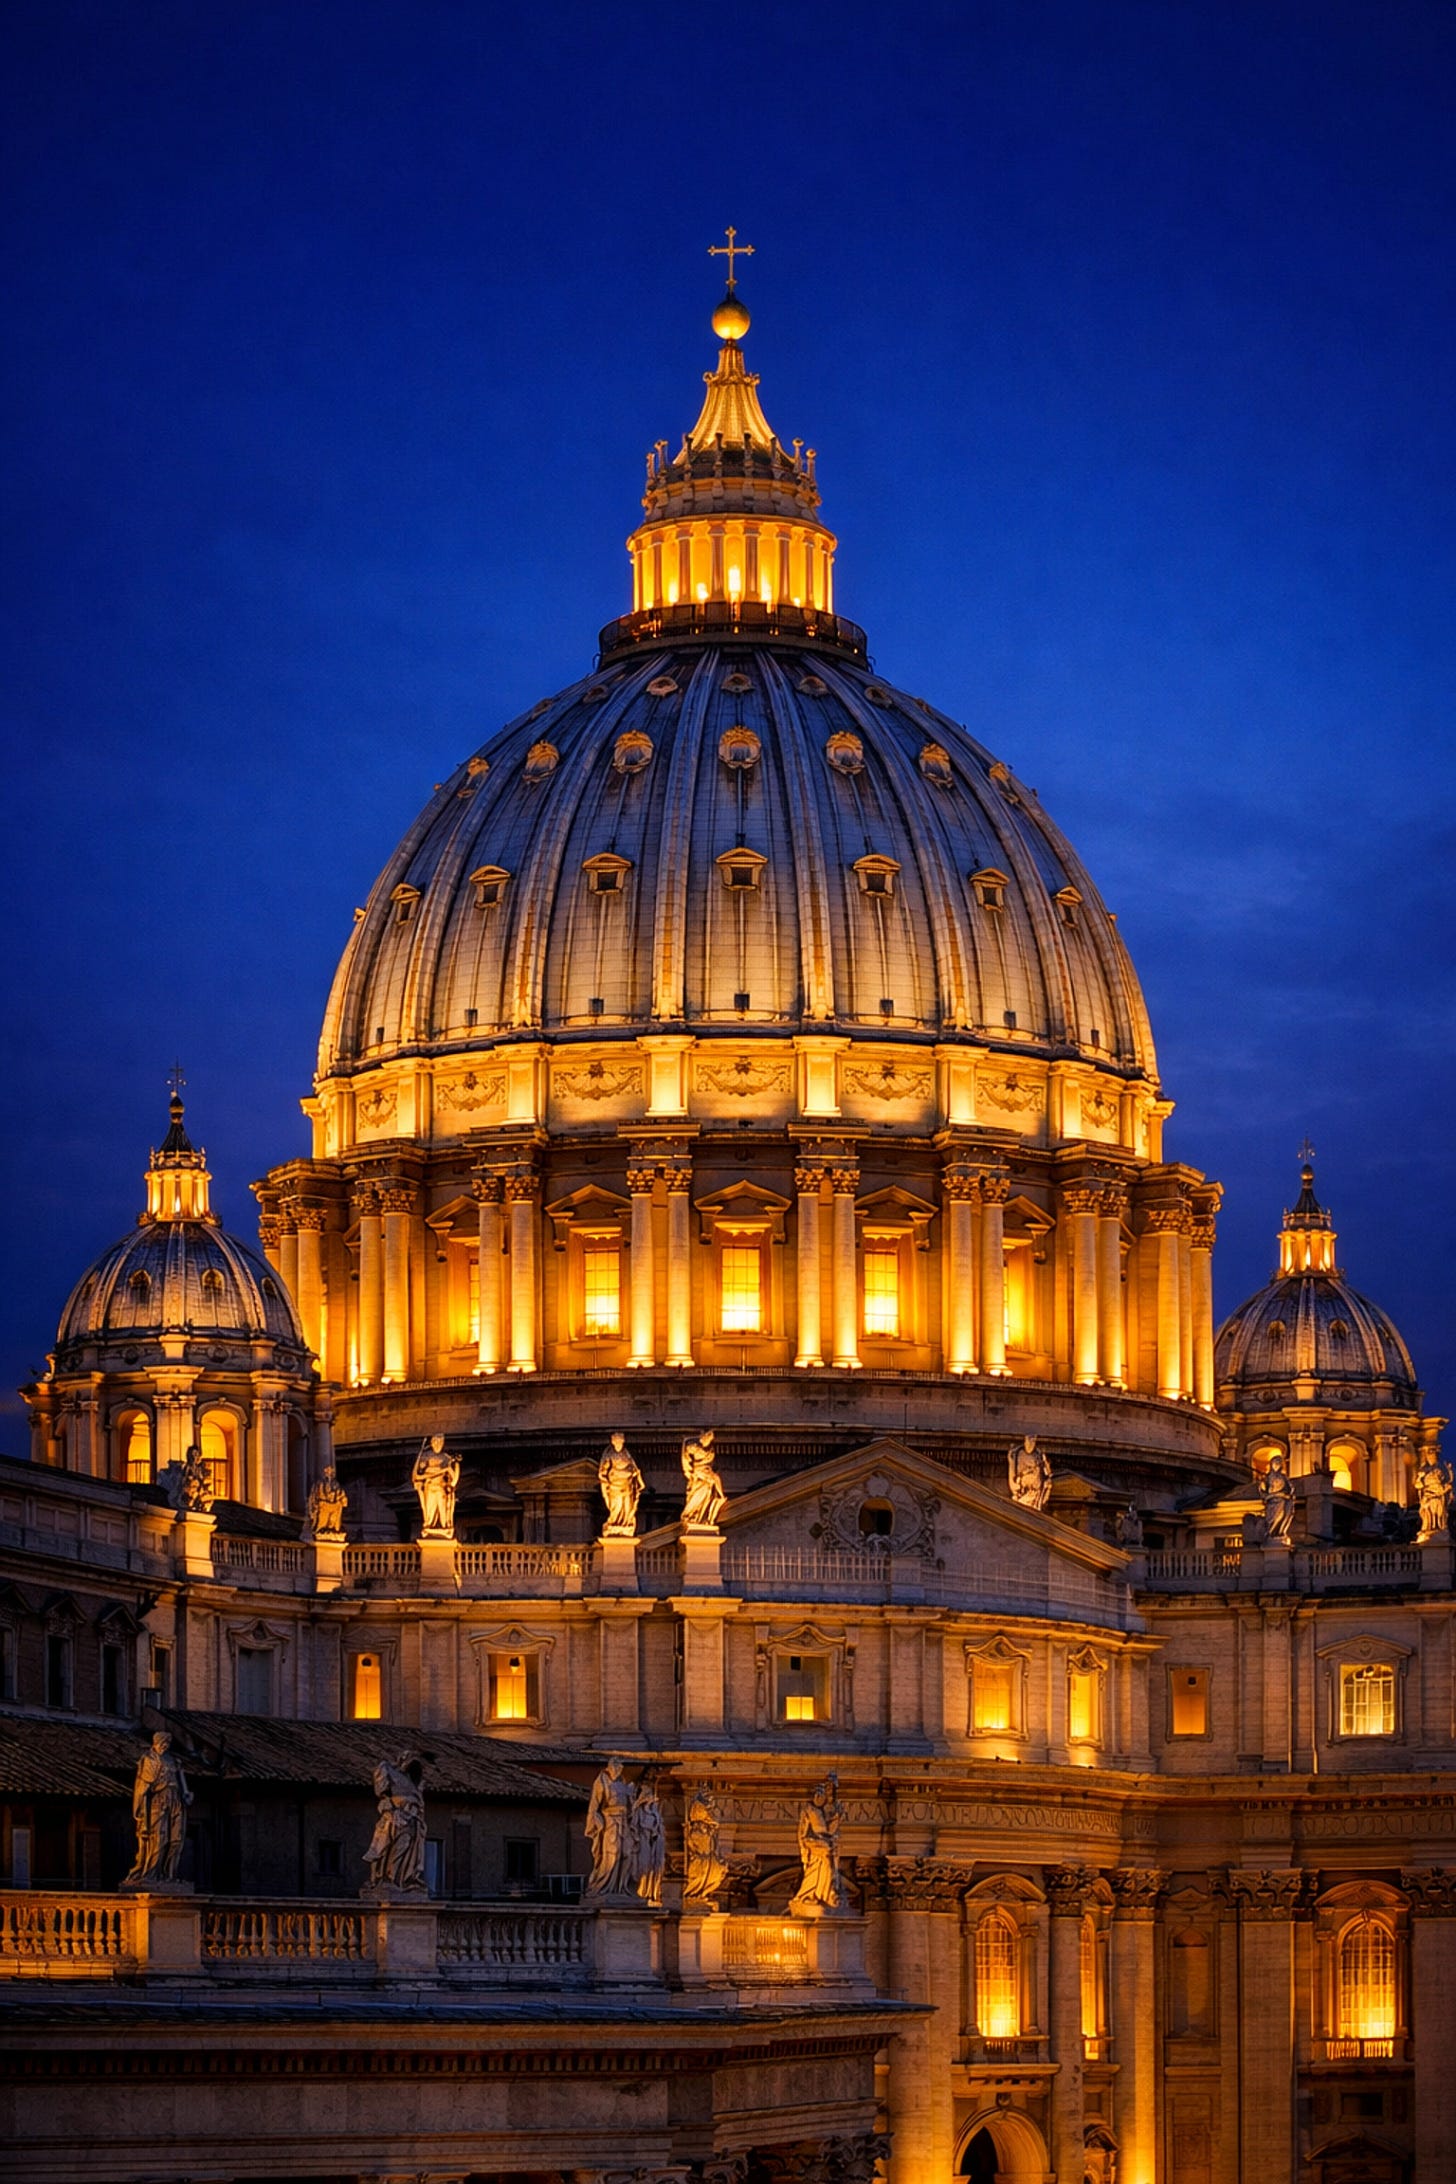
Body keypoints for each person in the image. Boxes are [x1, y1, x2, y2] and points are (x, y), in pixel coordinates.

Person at [124, 1731, 193, 1886]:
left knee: (176, 1839)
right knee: (158, 1839)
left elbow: (182, 1782)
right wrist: (140, 1808)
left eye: (168, 1743)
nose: (165, 1746)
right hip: (158, 1801)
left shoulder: (174, 1761)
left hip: (176, 1800)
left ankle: (170, 1875)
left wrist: (186, 1794)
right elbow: (142, 1786)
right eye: (163, 1742)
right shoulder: (148, 1759)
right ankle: (151, 1874)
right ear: (156, 1743)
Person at [363, 1753, 427, 1892]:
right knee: (388, 1847)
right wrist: (393, 1807)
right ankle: (387, 1878)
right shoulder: (388, 1770)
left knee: (406, 1847)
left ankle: (403, 1879)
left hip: (412, 1820)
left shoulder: (413, 1783)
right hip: (396, 1819)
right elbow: (382, 1791)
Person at [790, 1774, 849, 1914]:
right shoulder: (808, 1810)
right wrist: (808, 1848)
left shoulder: (825, 1812)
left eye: (821, 1795)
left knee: (828, 1872)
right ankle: (806, 1895)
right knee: (818, 1871)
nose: (819, 1798)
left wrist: (837, 1819)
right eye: (818, 1794)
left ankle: (825, 1894)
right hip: (815, 1847)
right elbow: (802, 1834)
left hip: (826, 1847)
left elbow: (829, 1831)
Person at [584, 1757, 637, 1896]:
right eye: (615, 1767)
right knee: (613, 1854)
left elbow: (631, 1807)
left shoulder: (623, 1783)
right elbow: (594, 1805)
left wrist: (632, 1798)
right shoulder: (602, 1781)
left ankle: (622, 1887)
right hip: (610, 1822)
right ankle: (604, 1886)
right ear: (609, 1767)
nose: (618, 1771)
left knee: (627, 1854)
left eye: (620, 1768)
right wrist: (596, 1820)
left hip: (624, 1822)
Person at [682, 1784, 728, 1906]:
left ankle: (698, 1894)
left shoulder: (707, 1828)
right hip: (701, 1858)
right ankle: (694, 1894)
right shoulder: (697, 1829)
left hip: (707, 1857)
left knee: (716, 1873)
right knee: (702, 1874)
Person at [412, 1435, 460, 1538]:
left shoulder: (446, 1458)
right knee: (429, 1513)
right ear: (432, 1443)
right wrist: (442, 1471)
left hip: (441, 1487)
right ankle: (429, 1528)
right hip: (429, 1488)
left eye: (440, 1443)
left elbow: (454, 1478)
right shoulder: (425, 1457)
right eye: (436, 1442)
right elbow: (417, 1476)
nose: (438, 1445)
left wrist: (454, 1466)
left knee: (443, 1511)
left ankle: (445, 1528)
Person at [598, 1433, 645, 1538]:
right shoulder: (609, 1455)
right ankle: (615, 1523)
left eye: (621, 1442)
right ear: (613, 1443)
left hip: (627, 1484)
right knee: (617, 1506)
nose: (619, 1444)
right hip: (615, 1485)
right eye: (617, 1442)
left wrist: (637, 1477)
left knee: (627, 1506)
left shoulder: (627, 1454)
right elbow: (603, 1471)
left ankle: (625, 1523)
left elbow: (634, 1468)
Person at [680, 1427, 726, 1530]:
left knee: (714, 1482)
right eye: (708, 1436)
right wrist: (689, 1472)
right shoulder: (693, 1446)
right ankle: (693, 1515)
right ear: (703, 1436)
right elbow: (685, 1459)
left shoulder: (710, 1448)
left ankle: (719, 1497)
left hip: (707, 1472)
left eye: (711, 1437)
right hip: (699, 1473)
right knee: (703, 1490)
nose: (709, 1439)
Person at [631, 1780, 666, 1907]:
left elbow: (659, 1830)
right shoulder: (638, 1812)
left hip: (653, 1844)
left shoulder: (655, 1814)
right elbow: (633, 1825)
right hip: (642, 1842)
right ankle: (640, 1892)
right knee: (643, 1867)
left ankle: (649, 1892)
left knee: (652, 1868)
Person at [1007, 1434, 1052, 1512]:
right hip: (1026, 1492)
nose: (1031, 1444)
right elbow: (1014, 1477)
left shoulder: (1038, 1456)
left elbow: (1047, 1473)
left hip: (1035, 1492)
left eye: (1033, 1442)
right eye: (1029, 1441)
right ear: (1025, 1442)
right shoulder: (1019, 1454)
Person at [1415, 1451, 1453, 1541]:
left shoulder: (1440, 1469)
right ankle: (1429, 1530)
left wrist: (1449, 1471)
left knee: (1439, 1514)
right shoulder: (1424, 1470)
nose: (1432, 1459)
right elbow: (1418, 1485)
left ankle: (1438, 1529)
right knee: (1428, 1515)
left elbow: (1448, 1480)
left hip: (1438, 1494)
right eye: (1430, 1458)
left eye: (1433, 1458)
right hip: (1428, 1495)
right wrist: (1420, 1477)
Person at [305, 1464, 348, 1540]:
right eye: (328, 1471)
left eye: (331, 1471)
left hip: (333, 1505)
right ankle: (321, 1530)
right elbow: (315, 1495)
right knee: (322, 1518)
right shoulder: (320, 1483)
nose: (330, 1473)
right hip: (323, 1505)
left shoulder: (336, 1484)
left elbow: (341, 1494)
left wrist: (341, 1499)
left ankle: (333, 1529)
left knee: (337, 1510)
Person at [1260, 1454, 1296, 1544]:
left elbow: (1291, 1487)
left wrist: (1290, 1494)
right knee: (1276, 1517)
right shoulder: (1267, 1478)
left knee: (1285, 1514)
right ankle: (1271, 1533)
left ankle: (1280, 1533)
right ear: (1271, 1464)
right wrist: (1268, 1495)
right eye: (1275, 1463)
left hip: (1282, 1501)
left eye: (1279, 1463)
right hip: (1272, 1502)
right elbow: (1263, 1490)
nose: (1277, 1465)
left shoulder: (1284, 1477)